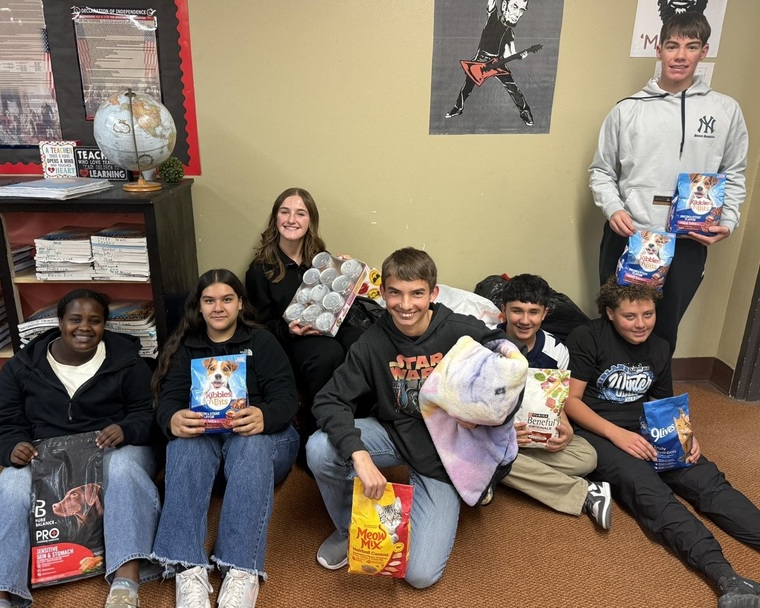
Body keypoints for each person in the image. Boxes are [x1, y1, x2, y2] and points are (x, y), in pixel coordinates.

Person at [306, 247, 518, 588]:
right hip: (393, 432)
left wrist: (485, 417)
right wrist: (359, 456)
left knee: (420, 576)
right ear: (383, 293)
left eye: (417, 293)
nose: (406, 304)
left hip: (444, 456)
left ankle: (423, 501)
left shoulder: (463, 330)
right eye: (396, 293)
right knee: (320, 449)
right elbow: (329, 401)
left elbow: (512, 374)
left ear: (433, 293)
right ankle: (351, 527)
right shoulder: (372, 342)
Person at [564, 277, 760, 608]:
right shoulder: (587, 337)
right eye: (630, 316)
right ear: (610, 313)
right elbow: (571, 401)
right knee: (650, 492)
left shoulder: (660, 346)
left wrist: (685, 435)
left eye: (648, 314)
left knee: (705, 480)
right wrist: (617, 435)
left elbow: (663, 403)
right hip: (600, 431)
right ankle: (727, 577)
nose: (641, 324)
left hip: (649, 426)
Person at [0, 289, 160, 608]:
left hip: (112, 448)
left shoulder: (127, 363)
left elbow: (148, 414)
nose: (84, 328)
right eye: (75, 319)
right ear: (59, 322)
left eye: (94, 321)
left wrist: (127, 428)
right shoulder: (21, 368)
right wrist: (12, 447)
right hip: (45, 455)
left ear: (104, 326)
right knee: (10, 485)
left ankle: (126, 582)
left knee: (124, 469)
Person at [589, 11, 748, 354]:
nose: (680, 56)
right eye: (672, 46)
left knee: (664, 328)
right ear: (658, 49)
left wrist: (730, 219)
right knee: (618, 321)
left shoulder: (725, 111)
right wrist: (613, 208)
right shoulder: (627, 110)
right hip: (631, 233)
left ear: (703, 52)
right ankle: (606, 400)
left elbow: (735, 172)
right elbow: (601, 171)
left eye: (691, 47)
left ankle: (654, 400)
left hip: (687, 238)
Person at [151, 269, 299, 608]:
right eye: (209, 300)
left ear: (240, 304)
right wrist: (172, 419)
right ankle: (187, 568)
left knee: (253, 442)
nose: (218, 307)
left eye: (227, 299)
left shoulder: (261, 341)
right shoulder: (186, 347)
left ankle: (241, 569)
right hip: (208, 446)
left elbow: (286, 398)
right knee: (184, 443)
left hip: (266, 443)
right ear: (199, 307)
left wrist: (265, 415)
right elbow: (168, 400)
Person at [245, 187, 363, 451]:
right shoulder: (259, 269)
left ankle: (357, 419)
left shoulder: (321, 260)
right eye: (284, 212)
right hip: (289, 338)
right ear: (275, 218)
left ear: (310, 221)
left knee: (360, 340)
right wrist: (289, 330)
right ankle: (318, 430)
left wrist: (346, 272)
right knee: (327, 353)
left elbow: (339, 304)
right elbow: (259, 326)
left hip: (327, 325)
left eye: (300, 213)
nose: (291, 219)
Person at [495, 274, 611, 528]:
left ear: (545, 313)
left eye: (533, 312)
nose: (525, 320)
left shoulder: (556, 350)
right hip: (496, 435)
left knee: (587, 457)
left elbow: (557, 401)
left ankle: (497, 475)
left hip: (536, 435)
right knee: (485, 454)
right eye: (517, 310)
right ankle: (584, 493)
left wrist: (566, 428)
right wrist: (504, 436)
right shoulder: (487, 344)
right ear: (503, 311)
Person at [445, 0, 534, 126]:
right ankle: (458, 108)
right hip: (480, 61)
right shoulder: (492, 18)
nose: (518, 13)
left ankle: (525, 111)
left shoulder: (510, 33)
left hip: (497, 62)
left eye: (522, 10)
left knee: (512, 87)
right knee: (467, 87)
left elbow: (510, 54)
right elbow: (491, 3)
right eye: (515, 6)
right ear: (504, 6)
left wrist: (520, 55)